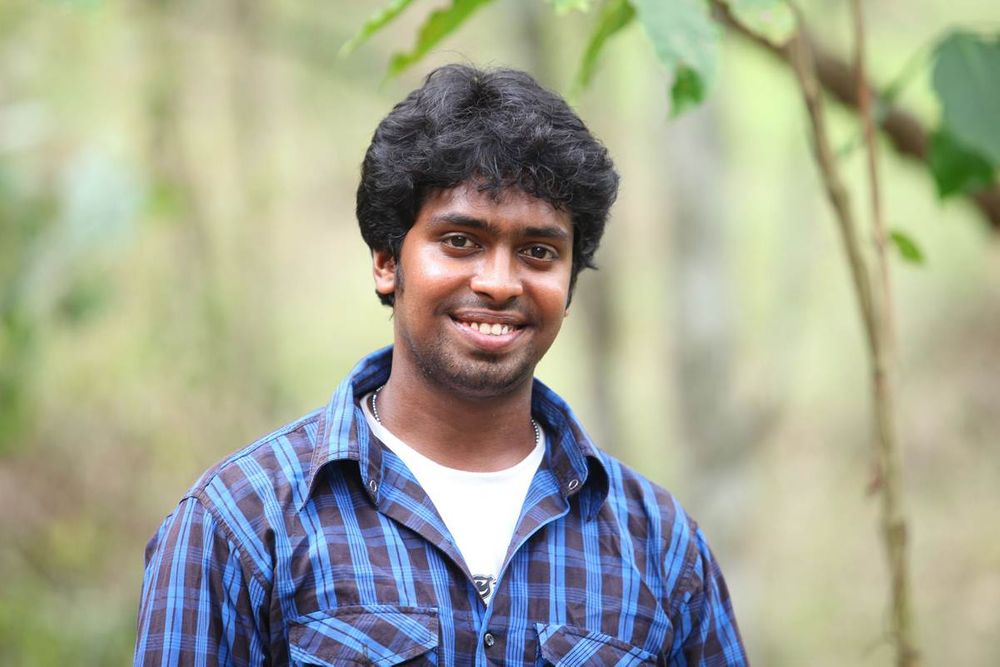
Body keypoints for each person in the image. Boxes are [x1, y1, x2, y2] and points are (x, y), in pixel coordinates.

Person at [135, 64, 747, 666]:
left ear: (570, 284)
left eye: (538, 251)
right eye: (461, 241)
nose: (500, 283)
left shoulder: (660, 546)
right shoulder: (241, 522)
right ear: (387, 261)